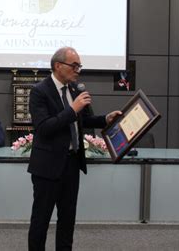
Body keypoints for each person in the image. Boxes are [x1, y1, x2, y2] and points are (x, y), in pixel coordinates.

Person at [27, 47, 121, 250]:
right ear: (58, 66)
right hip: (47, 168)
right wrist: (72, 109)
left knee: (67, 220)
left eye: (80, 65)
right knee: (40, 221)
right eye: (74, 65)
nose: (78, 70)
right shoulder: (39, 91)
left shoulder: (74, 89)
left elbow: (83, 119)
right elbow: (44, 128)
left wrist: (105, 119)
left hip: (71, 164)